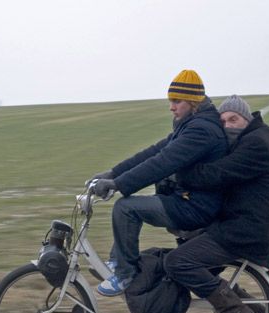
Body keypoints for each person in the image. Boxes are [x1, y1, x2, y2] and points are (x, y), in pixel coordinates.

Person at [90, 69, 228, 296]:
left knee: (126, 208)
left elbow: (162, 163)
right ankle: (119, 262)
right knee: (129, 204)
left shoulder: (201, 131)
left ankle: (125, 274)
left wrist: (118, 184)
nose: (171, 107)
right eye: (170, 101)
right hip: (185, 198)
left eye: (176, 101)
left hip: (196, 206)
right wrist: (112, 173)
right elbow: (154, 152)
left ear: (193, 102)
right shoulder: (190, 123)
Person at [164, 95, 269, 313]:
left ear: (247, 119)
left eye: (234, 119)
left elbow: (218, 174)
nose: (228, 125)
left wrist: (179, 172)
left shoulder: (257, 143)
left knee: (178, 262)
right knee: (189, 247)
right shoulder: (250, 138)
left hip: (246, 230)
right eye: (224, 121)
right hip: (240, 223)